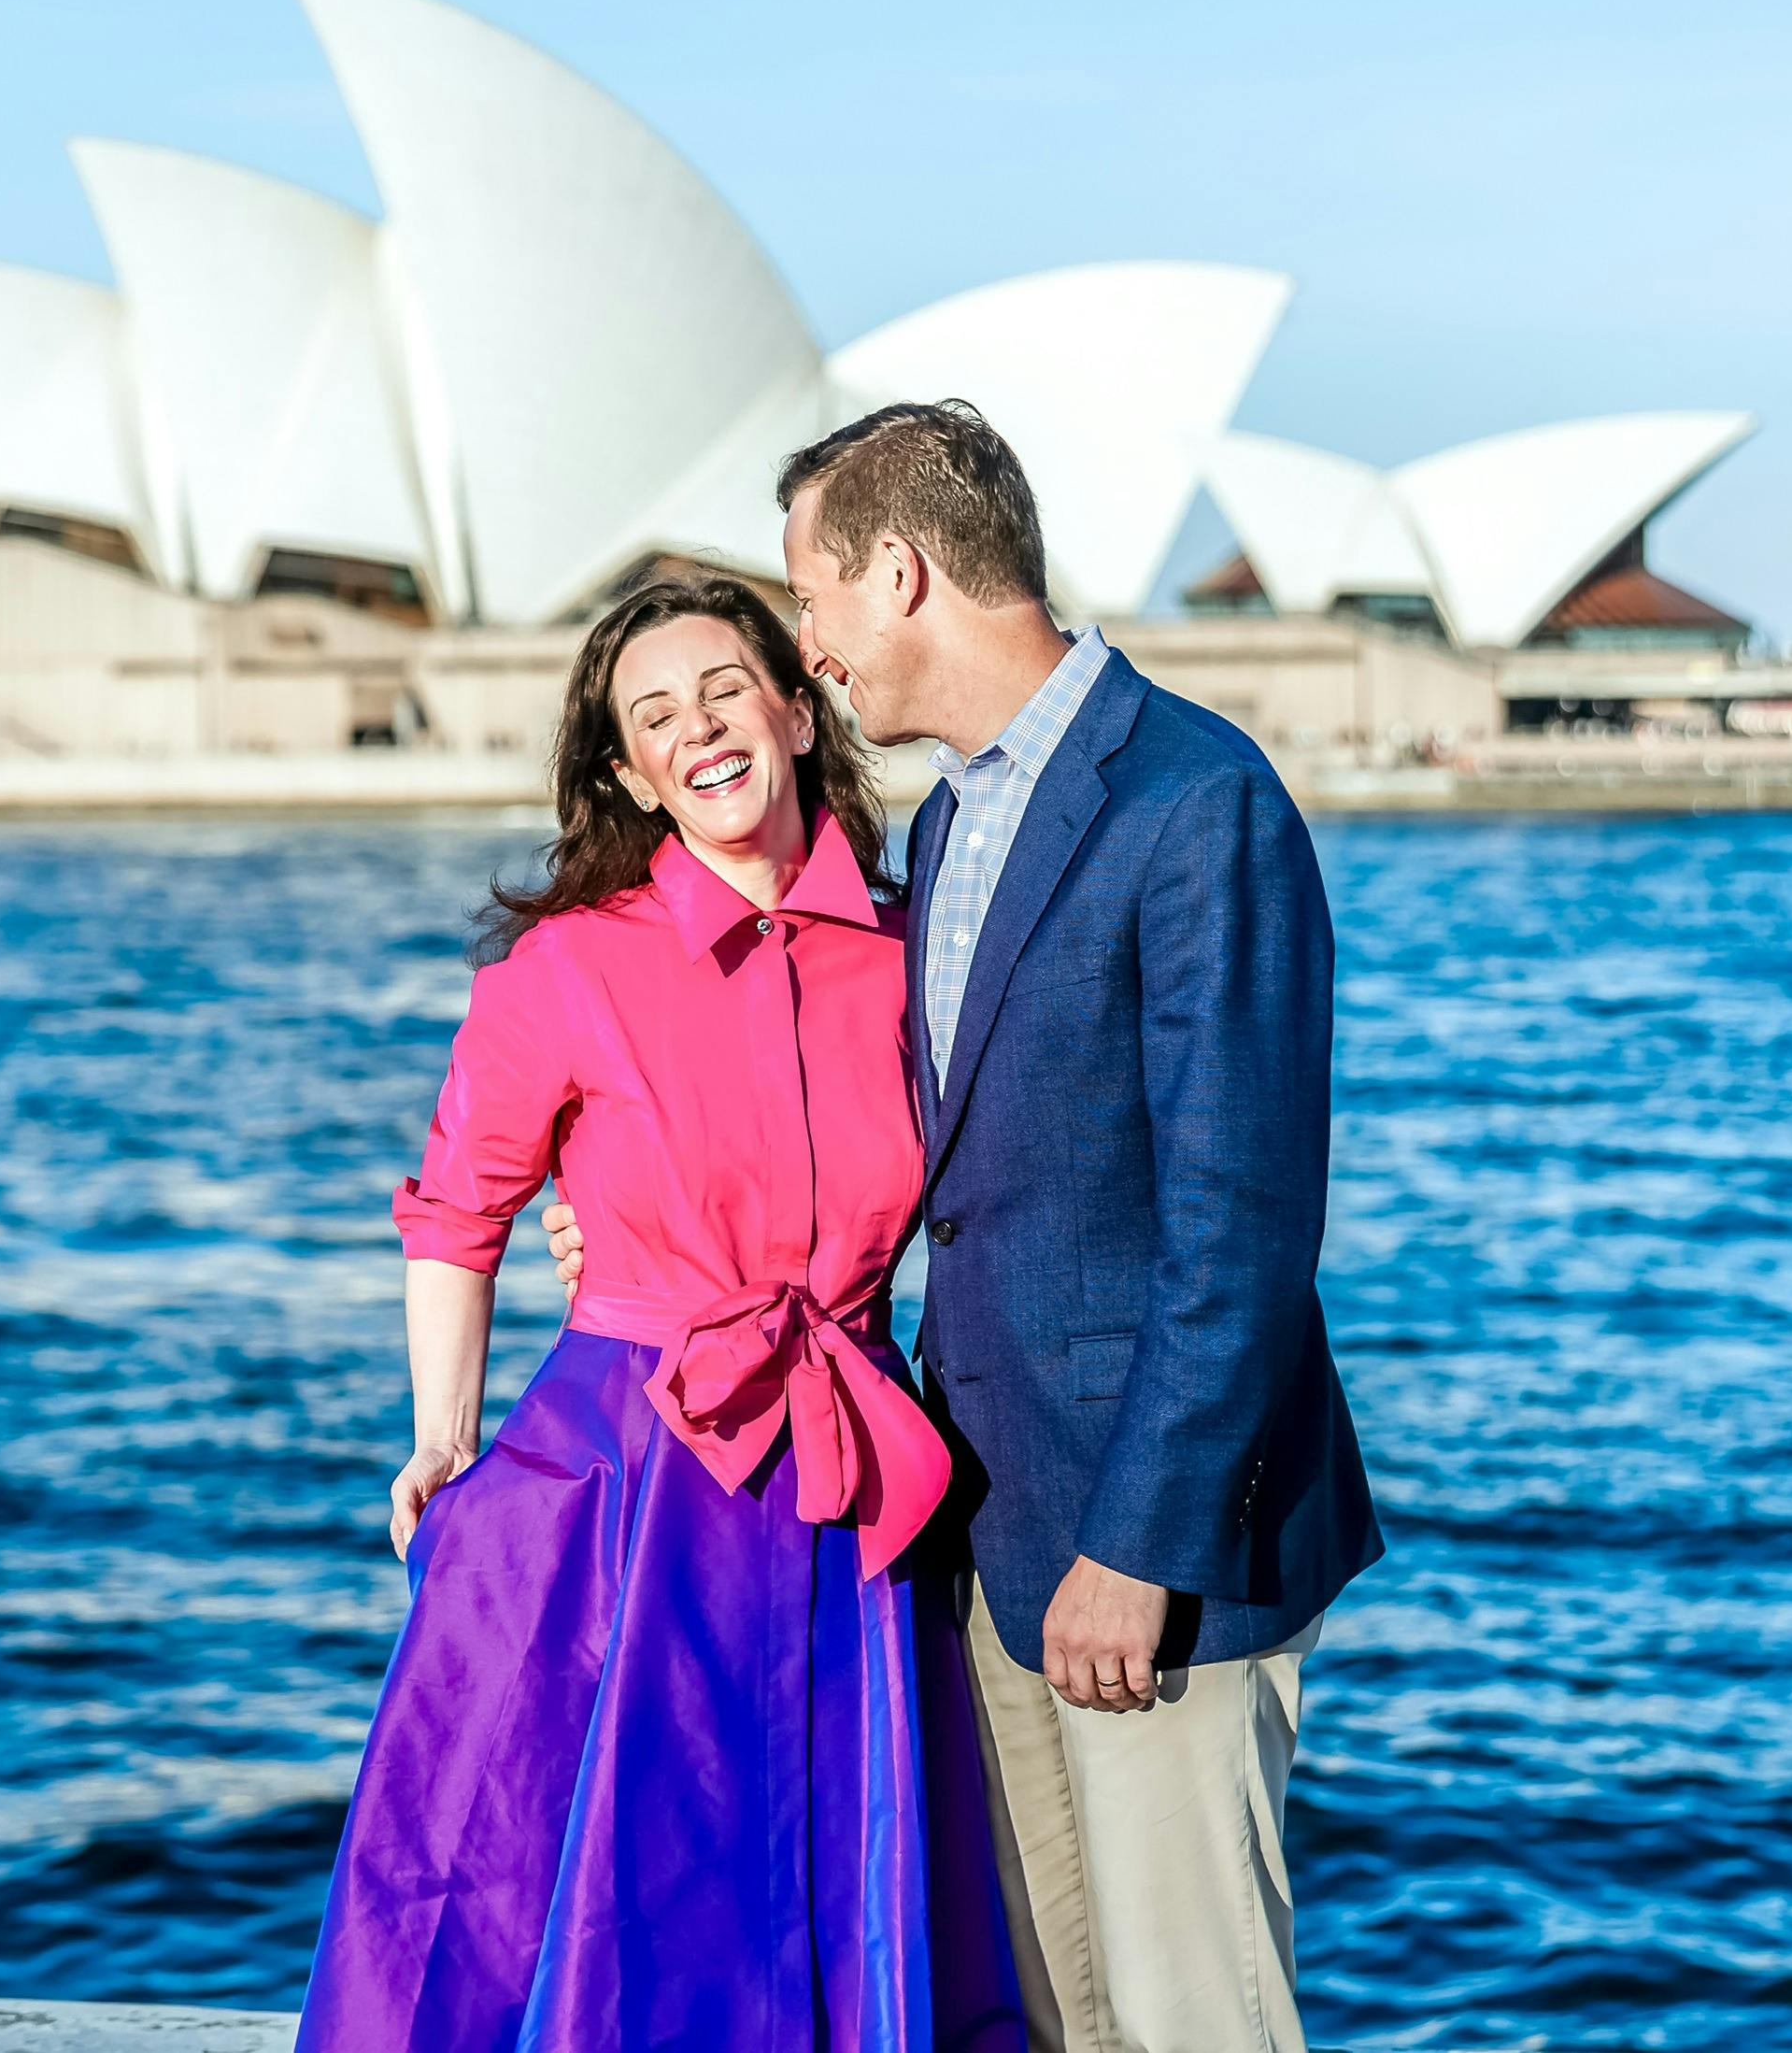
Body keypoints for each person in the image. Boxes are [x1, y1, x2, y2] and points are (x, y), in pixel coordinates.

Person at [554, 403, 1382, 2053]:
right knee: (1058, 2015)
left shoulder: (1194, 800)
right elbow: (896, 1149)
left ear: (903, 573)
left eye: (812, 597)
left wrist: (1138, 1550)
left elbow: (1241, 1228)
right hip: (994, 1544)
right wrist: (643, 1227)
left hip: (1153, 1564)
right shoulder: (943, 826)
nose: (808, 648)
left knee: (1192, 2014)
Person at [295, 569, 1024, 2053]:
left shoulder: (912, 948)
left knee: (830, 1884)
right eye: (654, 716)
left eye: (723, 691)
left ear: (798, 712)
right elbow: (458, 1212)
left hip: (849, 1469)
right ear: (630, 770)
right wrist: (441, 1438)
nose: (699, 730)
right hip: (628, 1473)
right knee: (611, 1892)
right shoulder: (564, 965)